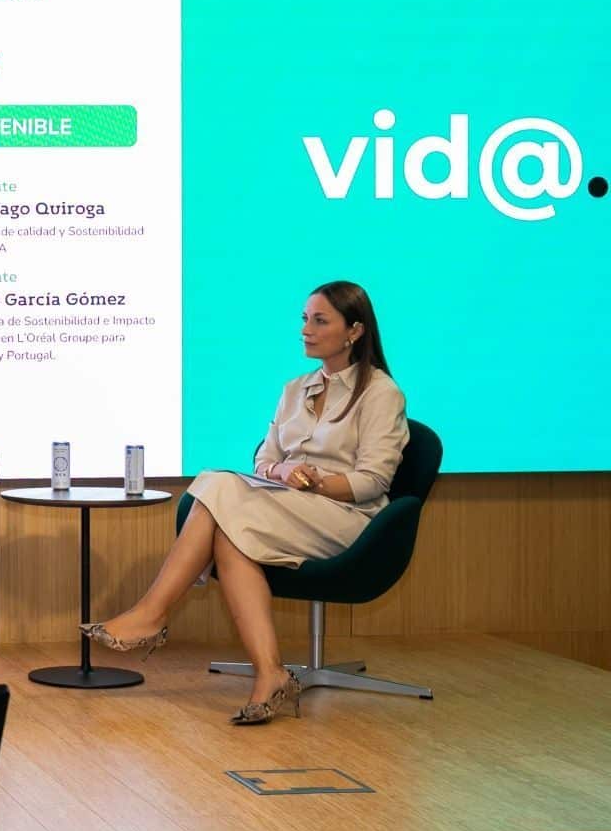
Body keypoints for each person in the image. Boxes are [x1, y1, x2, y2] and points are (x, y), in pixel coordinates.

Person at [86, 280, 408, 724]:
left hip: (348, 520)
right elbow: (265, 459)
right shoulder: (295, 389)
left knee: (217, 484)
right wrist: (283, 473)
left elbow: (373, 481)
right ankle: (270, 673)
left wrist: (314, 483)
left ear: (354, 331)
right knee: (228, 532)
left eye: (320, 321)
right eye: (304, 319)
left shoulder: (381, 393)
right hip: (288, 507)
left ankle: (152, 612)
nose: (306, 330)